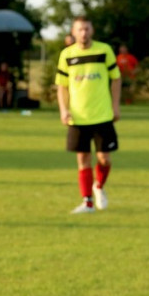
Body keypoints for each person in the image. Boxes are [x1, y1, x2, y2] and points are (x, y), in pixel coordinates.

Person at [55, 16, 121, 214]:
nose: (83, 33)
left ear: (92, 30)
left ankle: (99, 185)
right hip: (78, 116)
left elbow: (116, 79)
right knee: (83, 159)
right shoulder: (67, 55)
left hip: (102, 115)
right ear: (73, 32)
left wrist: (115, 106)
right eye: (80, 29)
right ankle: (87, 202)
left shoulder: (104, 50)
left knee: (104, 159)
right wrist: (63, 109)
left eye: (86, 29)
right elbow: (62, 86)